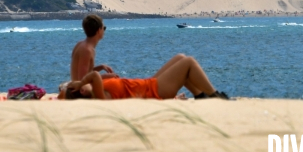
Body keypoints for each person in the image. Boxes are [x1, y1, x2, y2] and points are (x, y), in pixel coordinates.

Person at [59, 54, 229, 100]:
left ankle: (200, 96)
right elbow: (94, 76)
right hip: (155, 91)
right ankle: (215, 96)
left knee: (180, 58)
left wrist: (107, 73)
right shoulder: (100, 96)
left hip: (149, 83)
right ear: (82, 90)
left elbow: (98, 77)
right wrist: (81, 82)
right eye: (81, 85)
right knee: (189, 63)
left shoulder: (98, 88)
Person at [70, 14, 115, 81]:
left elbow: (86, 72)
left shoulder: (81, 44)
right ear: (99, 30)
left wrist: (101, 67)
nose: (104, 31)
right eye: (104, 28)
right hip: (79, 90)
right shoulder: (86, 50)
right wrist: (105, 76)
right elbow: (82, 79)